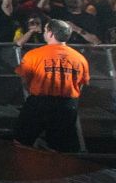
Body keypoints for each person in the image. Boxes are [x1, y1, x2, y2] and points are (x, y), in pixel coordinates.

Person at [14, 19, 90, 153]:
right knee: (59, 148)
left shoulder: (34, 54)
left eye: (45, 30)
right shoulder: (80, 58)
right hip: (67, 105)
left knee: (21, 142)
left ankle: (22, 170)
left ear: (50, 33)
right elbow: (81, 84)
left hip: (39, 103)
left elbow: (24, 79)